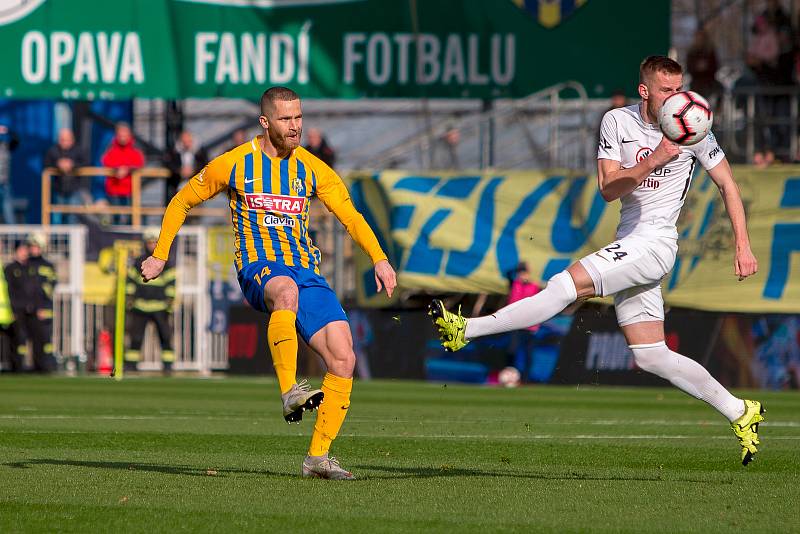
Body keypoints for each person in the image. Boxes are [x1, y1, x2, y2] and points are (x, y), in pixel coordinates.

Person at [430, 56, 764, 466]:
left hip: (656, 243)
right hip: (630, 238)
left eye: (678, 90)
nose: (675, 100)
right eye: (665, 91)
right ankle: (740, 411)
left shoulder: (692, 127)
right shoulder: (616, 122)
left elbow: (728, 183)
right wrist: (654, 159)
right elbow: (608, 188)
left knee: (563, 286)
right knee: (650, 354)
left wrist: (742, 244)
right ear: (645, 91)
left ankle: (468, 329)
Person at [140, 86, 397, 479]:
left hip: (306, 269)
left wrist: (379, 258)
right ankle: (289, 390)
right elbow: (181, 200)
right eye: (286, 119)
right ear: (265, 122)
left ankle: (317, 458)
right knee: (286, 293)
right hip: (259, 266)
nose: (295, 126)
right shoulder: (234, 163)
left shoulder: (312, 167)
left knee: (344, 357)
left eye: (298, 117)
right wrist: (160, 253)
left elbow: (350, 215)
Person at [125, 228, 176, 373]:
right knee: (135, 337)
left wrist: (170, 301)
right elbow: (130, 281)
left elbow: (172, 282)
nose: (152, 245)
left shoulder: (167, 262)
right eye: (149, 242)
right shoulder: (137, 262)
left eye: (155, 242)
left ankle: (167, 367)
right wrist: (129, 298)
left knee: (165, 337)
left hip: (160, 307)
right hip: (140, 306)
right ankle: (131, 366)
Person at [5, 241, 54, 372]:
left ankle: (41, 367)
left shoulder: (32, 268)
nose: (25, 252)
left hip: (32, 309)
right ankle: (17, 367)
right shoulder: (10, 269)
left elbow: (37, 290)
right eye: (22, 250)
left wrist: (39, 307)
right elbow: (10, 291)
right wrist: (14, 309)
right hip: (18, 310)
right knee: (19, 340)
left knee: (39, 339)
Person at [101, 122, 145, 224]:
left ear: (129, 135)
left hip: (130, 189)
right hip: (114, 189)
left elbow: (140, 162)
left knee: (131, 218)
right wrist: (117, 169)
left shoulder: (135, 148)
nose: (122, 137)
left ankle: (131, 238)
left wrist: (127, 169)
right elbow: (105, 160)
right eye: (120, 134)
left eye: (125, 134)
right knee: (115, 218)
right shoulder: (110, 147)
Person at [44, 128, 89, 224]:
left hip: (74, 190)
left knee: (72, 217)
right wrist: (58, 164)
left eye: (67, 139)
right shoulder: (53, 150)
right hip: (58, 190)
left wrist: (72, 165)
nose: (64, 142)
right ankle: (57, 239)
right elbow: (46, 164)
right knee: (57, 219)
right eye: (62, 139)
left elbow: (86, 163)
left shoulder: (78, 150)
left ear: (72, 139)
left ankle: (71, 239)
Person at [506, 262, 542, 376]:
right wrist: (517, 268)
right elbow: (507, 273)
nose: (522, 275)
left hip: (530, 326)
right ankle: (510, 373)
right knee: (512, 350)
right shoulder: (514, 284)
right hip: (515, 324)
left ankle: (526, 378)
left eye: (524, 273)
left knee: (528, 353)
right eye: (520, 273)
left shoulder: (535, 286)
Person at [27, 233, 56, 370]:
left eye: (35, 246)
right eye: (31, 246)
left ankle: (46, 366)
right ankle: (33, 366)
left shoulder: (47, 266)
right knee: (30, 339)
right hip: (29, 309)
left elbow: (49, 287)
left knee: (44, 340)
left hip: (44, 309)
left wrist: (42, 307)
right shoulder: (26, 265)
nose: (33, 249)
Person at [163, 131, 208, 206]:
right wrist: (179, 170)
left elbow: (205, 164)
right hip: (178, 186)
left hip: (196, 186)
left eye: (189, 141)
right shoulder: (174, 151)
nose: (186, 144)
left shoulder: (200, 151)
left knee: (195, 210)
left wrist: (193, 170)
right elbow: (168, 163)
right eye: (184, 141)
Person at [0, 124, 19, 224]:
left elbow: (16, 140)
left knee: (7, 209)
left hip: (4, 183)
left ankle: (12, 235)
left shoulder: (6, 146)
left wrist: (8, 130)